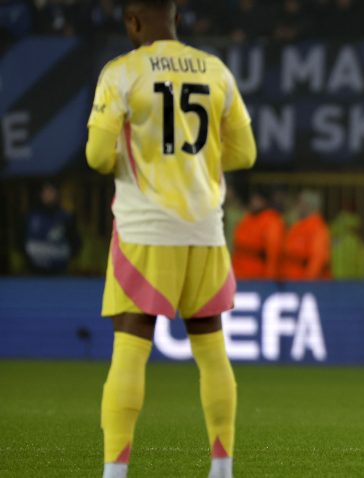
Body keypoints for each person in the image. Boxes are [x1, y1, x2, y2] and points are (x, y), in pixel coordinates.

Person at [85, 1, 256, 477]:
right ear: (176, 17)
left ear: (133, 21)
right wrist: (197, 162)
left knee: (131, 348)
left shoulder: (122, 72)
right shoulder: (215, 70)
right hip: (205, 231)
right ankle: (221, 470)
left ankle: (115, 472)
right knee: (212, 351)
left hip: (144, 231)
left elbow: (98, 157)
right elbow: (244, 152)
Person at [22, 181, 81, 274]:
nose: (48, 195)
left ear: (57, 194)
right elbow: (21, 241)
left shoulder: (65, 217)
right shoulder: (31, 216)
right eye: (46, 192)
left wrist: (67, 257)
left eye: (51, 191)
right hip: (34, 272)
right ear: (41, 194)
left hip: (59, 272)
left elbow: (76, 242)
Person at [232, 189, 285, 279]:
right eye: (253, 199)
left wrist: (269, 278)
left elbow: (273, 254)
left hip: (256, 275)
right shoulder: (247, 218)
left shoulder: (271, 220)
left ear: (265, 201)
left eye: (257, 200)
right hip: (238, 272)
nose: (254, 202)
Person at [280, 189, 331, 280]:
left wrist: (307, 283)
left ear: (308, 205)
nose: (297, 206)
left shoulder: (317, 227)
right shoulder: (299, 224)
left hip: (305, 284)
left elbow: (318, 259)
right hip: (292, 282)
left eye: (300, 203)